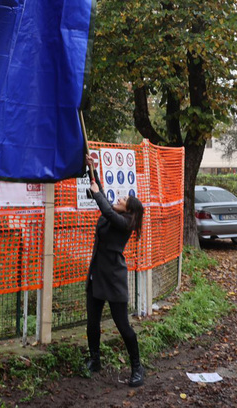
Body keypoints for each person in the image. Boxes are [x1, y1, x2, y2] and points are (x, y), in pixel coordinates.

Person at [84, 154, 145, 387]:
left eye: (123, 199)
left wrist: (97, 194)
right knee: (92, 323)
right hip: (96, 275)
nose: (118, 198)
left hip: (114, 280)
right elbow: (102, 195)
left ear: (128, 210)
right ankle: (95, 360)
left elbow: (106, 209)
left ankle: (137, 367)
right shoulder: (114, 214)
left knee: (123, 326)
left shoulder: (124, 224)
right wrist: (93, 169)